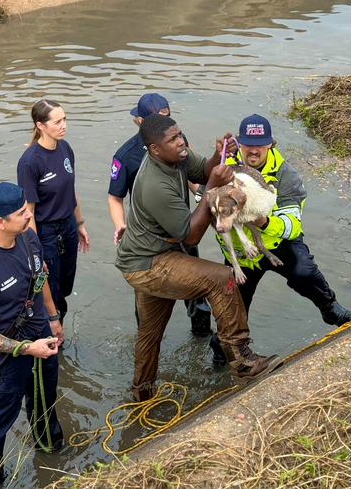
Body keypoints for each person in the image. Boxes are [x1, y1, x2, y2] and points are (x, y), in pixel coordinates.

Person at [115, 113, 282, 401]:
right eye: (173, 139)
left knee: (150, 332)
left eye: (180, 134)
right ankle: (242, 361)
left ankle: (141, 394)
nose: (181, 142)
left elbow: (204, 172)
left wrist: (219, 155)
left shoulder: (176, 156)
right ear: (155, 149)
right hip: (148, 264)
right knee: (222, 278)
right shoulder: (154, 185)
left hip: (150, 256)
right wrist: (209, 194)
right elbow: (190, 236)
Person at [203, 114, 351, 363]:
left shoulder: (286, 175)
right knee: (230, 314)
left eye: (260, 144)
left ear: (270, 143)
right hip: (241, 257)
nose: (253, 150)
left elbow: (292, 226)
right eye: (248, 144)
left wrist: (261, 221)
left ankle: (330, 309)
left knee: (305, 274)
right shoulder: (224, 170)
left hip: (279, 245)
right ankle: (221, 353)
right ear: (239, 144)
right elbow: (204, 200)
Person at [0, 182, 65, 488]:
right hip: (6, 359)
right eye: (21, 213)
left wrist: (53, 316)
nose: (29, 215)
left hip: (42, 337)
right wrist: (27, 348)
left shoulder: (28, 237)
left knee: (44, 402)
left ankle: (52, 452)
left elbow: (40, 273)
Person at [108, 92, 212, 336]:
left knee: (199, 296)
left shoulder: (178, 140)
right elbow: (115, 197)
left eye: (168, 117)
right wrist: (120, 224)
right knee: (147, 310)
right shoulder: (126, 155)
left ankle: (202, 339)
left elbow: (189, 174)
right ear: (141, 122)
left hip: (181, 228)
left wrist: (203, 194)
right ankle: (148, 345)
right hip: (149, 241)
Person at [17, 99, 89, 320]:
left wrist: (79, 224)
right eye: (57, 122)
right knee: (49, 284)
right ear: (41, 125)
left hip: (67, 225)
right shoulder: (30, 162)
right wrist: (36, 251)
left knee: (66, 283)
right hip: (45, 231)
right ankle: (50, 330)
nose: (64, 125)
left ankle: (59, 325)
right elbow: (28, 212)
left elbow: (70, 189)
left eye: (64, 119)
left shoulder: (65, 148)